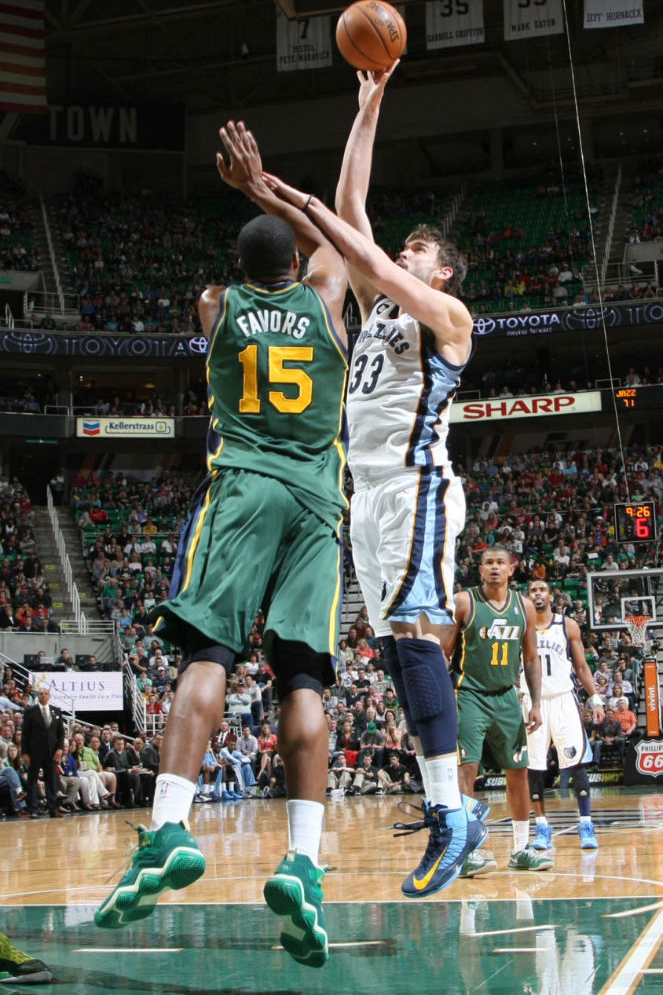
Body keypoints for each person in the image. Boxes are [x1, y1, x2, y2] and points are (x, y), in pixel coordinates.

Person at [94, 117, 349, 972]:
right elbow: (334, 244)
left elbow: (250, 274)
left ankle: (170, 825)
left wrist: (239, 196)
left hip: (241, 489)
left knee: (207, 657)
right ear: (297, 269)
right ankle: (305, 867)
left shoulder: (216, 308)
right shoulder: (327, 298)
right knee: (304, 676)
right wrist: (262, 184)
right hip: (317, 503)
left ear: (240, 272)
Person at [268, 66, 484, 898]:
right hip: (368, 495)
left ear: (442, 276)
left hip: (416, 485)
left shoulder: (448, 320)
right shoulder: (381, 308)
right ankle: (444, 808)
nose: (403, 253)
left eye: (419, 252)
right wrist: (370, 104)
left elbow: (353, 239)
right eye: (405, 248)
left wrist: (309, 212)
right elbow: (354, 212)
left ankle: (452, 811)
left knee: (416, 633)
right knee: (398, 648)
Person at [445, 546, 552, 875]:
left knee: (518, 772)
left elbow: (531, 658)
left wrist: (535, 702)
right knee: (467, 772)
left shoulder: (523, 607)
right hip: (470, 695)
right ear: (480, 570)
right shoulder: (465, 602)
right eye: (488, 563)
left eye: (499, 563)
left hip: (508, 697)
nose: (494, 568)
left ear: (511, 569)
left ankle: (520, 849)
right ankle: (466, 850)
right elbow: (445, 655)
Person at [524, 579, 605, 851]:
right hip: (533, 703)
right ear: (528, 596)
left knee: (576, 763)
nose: (537, 594)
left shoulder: (567, 625)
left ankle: (586, 824)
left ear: (551, 596)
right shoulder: (521, 627)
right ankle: (542, 828)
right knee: (534, 767)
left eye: (542, 590)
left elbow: (581, 666)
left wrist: (595, 698)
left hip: (563, 700)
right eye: (533, 590)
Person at [21, 684, 66, 818]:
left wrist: (60, 748)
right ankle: (34, 809)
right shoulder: (30, 711)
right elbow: (25, 734)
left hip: (51, 752)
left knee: (51, 781)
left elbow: (61, 733)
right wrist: (25, 752)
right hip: (34, 752)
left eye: (45, 693)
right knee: (32, 780)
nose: (43, 695)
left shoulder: (56, 711)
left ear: (49, 696)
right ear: (37, 696)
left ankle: (53, 808)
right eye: (41, 693)